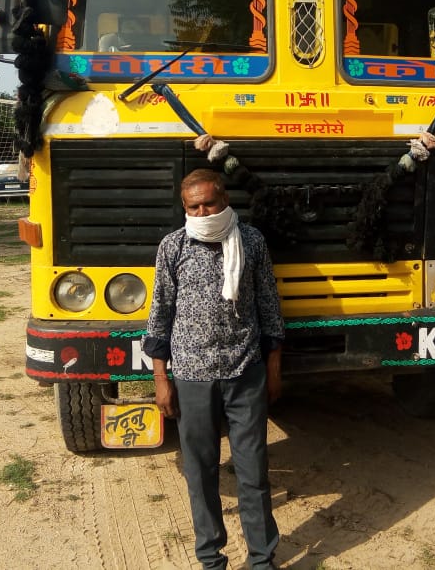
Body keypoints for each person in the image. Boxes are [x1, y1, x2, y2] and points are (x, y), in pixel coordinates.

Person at [143, 168, 285, 570]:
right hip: (192, 375)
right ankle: (211, 558)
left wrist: (273, 367)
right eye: (194, 206)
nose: (203, 211)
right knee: (200, 472)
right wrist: (161, 379)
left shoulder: (252, 242)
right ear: (184, 208)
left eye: (210, 202)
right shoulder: (173, 247)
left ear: (224, 199)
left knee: (253, 471)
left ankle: (262, 559)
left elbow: (270, 308)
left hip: (246, 371)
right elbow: (160, 315)